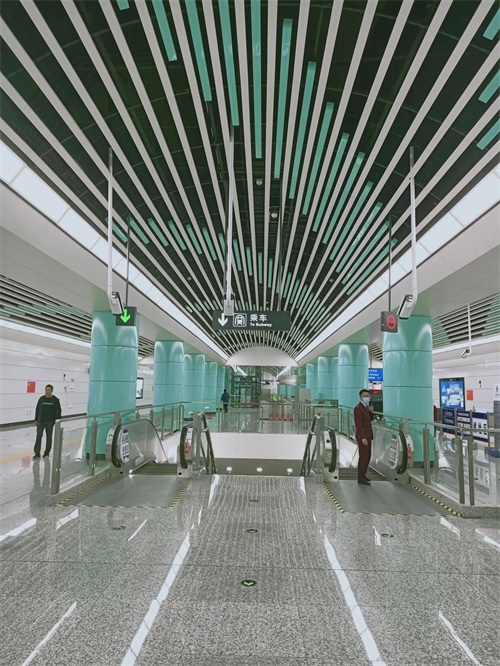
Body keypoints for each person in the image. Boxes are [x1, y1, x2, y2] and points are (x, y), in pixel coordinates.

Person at [33, 384, 61, 460]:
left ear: (52, 391)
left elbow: (58, 411)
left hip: (50, 422)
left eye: (49, 390)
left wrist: (57, 421)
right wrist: (36, 420)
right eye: (46, 390)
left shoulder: (55, 400)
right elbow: (37, 409)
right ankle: (37, 453)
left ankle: (47, 452)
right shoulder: (41, 399)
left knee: (49, 437)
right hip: (41, 421)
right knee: (39, 436)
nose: (47, 391)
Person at [353, 388, 374, 486]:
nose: (366, 398)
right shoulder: (358, 408)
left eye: (367, 396)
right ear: (360, 397)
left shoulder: (366, 407)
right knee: (363, 457)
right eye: (364, 396)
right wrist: (362, 437)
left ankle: (363, 474)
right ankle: (360, 478)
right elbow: (359, 424)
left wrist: (371, 412)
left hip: (368, 435)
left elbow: (370, 420)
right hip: (363, 437)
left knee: (368, 456)